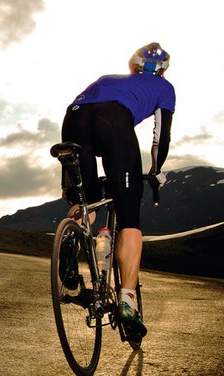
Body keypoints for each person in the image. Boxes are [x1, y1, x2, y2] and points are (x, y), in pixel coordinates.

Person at [59, 42, 175, 338]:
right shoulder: (164, 88)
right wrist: (156, 170)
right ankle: (126, 302)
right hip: (113, 122)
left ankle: (73, 237)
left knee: (85, 202)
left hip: (72, 119)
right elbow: (161, 137)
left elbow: (82, 106)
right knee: (129, 217)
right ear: (161, 71)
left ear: (133, 66)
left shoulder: (108, 79)